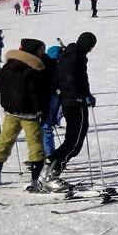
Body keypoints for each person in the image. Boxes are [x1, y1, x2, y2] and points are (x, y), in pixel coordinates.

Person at [0, 38, 49, 188]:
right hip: (29, 113)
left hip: (11, 111)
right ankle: (36, 178)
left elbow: (3, 88)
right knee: (35, 144)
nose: (42, 53)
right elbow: (36, 93)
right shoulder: (34, 69)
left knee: (4, 141)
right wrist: (42, 109)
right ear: (33, 50)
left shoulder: (8, 66)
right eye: (40, 50)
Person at [43, 31, 98, 192]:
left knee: (74, 138)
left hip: (69, 102)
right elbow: (73, 80)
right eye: (91, 47)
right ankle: (53, 168)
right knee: (74, 141)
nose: (91, 50)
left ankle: (51, 164)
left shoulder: (68, 54)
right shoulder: (76, 57)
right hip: (75, 103)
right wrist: (83, 96)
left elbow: (59, 79)